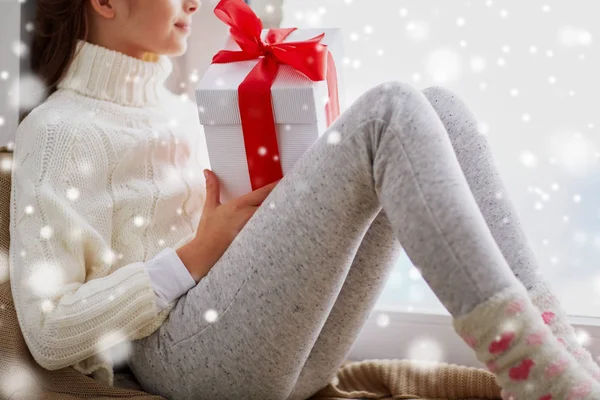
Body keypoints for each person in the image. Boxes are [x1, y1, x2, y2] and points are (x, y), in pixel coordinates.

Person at [9, 0, 600, 399]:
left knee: (439, 107)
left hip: (276, 351)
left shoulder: (175, 110)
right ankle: (529, 369)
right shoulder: (58, 132)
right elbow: (50, 331)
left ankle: (561, 355)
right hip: (174, 358)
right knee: (389, 108)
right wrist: (193, 256)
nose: (194, 1)